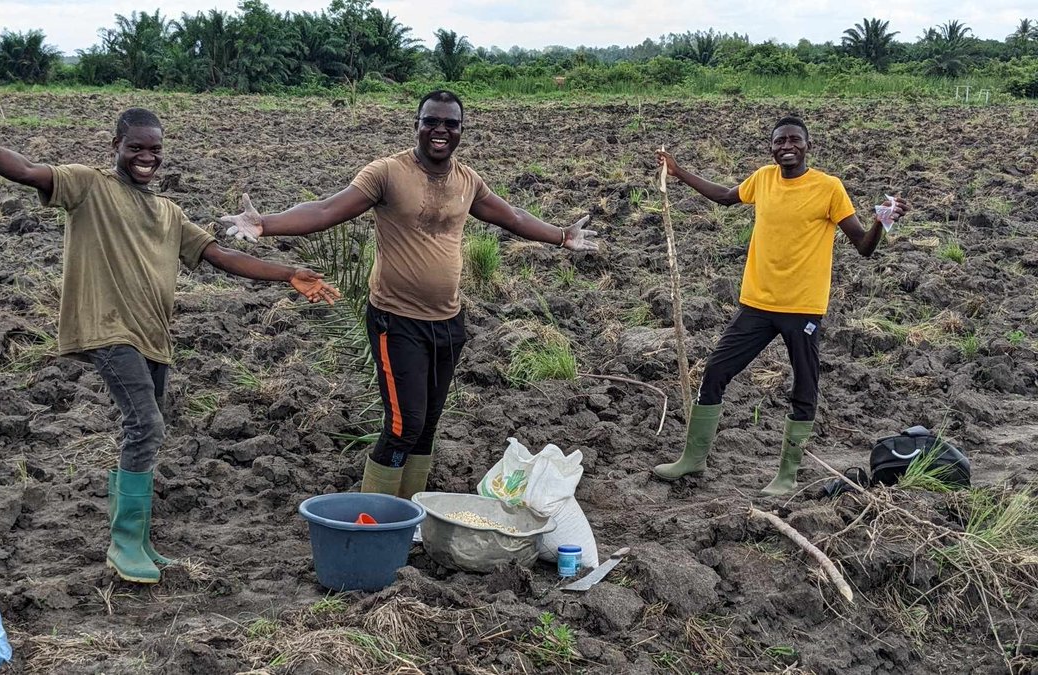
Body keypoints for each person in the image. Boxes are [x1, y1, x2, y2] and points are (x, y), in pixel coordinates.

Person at [0, 109, 339, 584]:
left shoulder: (169, 213)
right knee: (145, 424)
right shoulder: (88, 186)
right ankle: (124, 543)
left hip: (153, 335)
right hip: (107, 329)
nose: (146, 157)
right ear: (116, 146)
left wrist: (287, 274)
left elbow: (221, 255)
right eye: (136, 148)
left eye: (154, 149)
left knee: (146, 431)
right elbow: (27, 171)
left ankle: (140, 539)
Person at [221, 90, 598, 501]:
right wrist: (265, 224)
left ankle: (411, 513)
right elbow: (326, 210)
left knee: (427, 424)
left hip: (448, 321)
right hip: (396, 321)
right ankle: (373, 516)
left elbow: (513, 217)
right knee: (404, 426)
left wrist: (563, 237)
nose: (440, 131)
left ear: (460, 131)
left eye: (450, 124)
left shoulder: (467, 180)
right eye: (431, 122)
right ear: (416, 125)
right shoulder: (387, 173)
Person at [651, 116, 910, 496]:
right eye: (779, 141)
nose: (786, 146)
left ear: (807, 145)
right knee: (716, 371)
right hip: (756, 302)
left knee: (804, 386)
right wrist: (678, 172)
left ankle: (787, 475)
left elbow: (863, 247)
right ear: (771, 148)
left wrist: (881, 223)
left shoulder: (829, 188)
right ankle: (693, 458)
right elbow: (725, 196)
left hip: (802, 308)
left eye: (794, 140)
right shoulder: (763, 179)